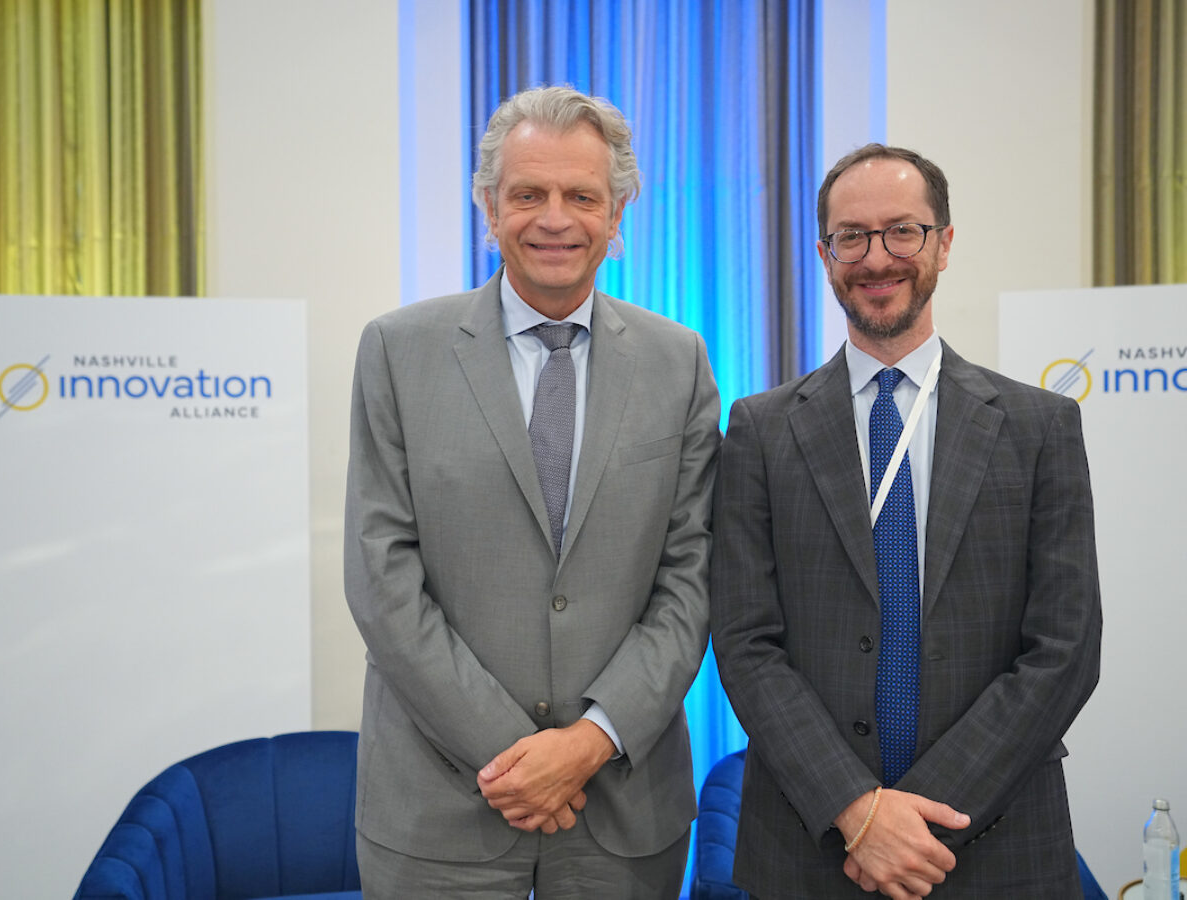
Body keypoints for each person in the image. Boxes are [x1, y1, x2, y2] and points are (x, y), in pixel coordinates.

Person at [343, 85, 720, 899]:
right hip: (440, 813)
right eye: (528, 194)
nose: (555, 217)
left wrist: (587, 743)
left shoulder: (679, 361)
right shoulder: (397, 351)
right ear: (489, 207)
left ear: (617, 212)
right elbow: (381, 579)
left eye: (582, 195)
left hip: (622, 808)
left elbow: (691, 578)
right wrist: (522, 757)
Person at [709, 143, 1102, 899]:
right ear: (825, 255)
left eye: (903, 231)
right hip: (810, 849)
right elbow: (745, 643)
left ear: (944, 244)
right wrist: (856, 812)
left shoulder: (1038, 426)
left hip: (994, 847)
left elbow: (1065, 649)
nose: (876, 257)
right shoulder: (760, 429)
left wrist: (911, 823)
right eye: (851, 236)